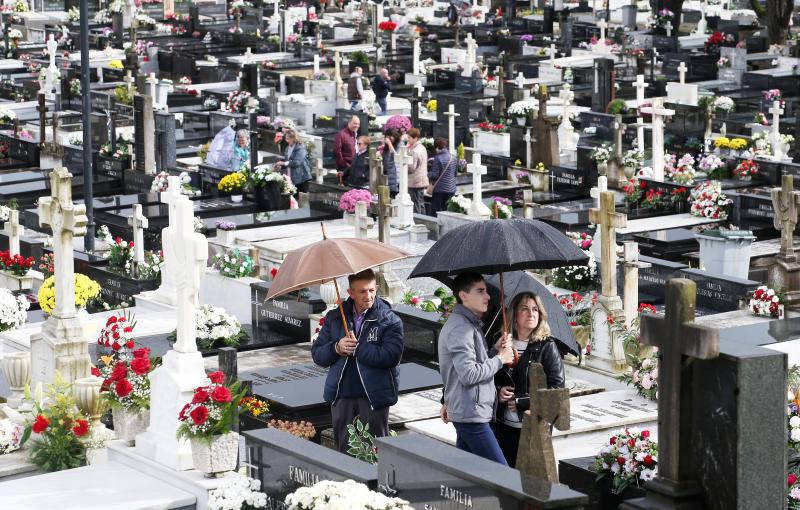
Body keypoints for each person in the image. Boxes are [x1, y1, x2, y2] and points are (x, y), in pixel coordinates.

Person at [311, 269, 404, 454]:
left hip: (373, 395)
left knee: (376, 452)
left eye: (371, 290)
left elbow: (391, 356)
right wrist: (336, 348)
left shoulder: (389, 320)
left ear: (376, 288)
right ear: (350, 293)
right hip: (342, 394)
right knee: (344, 451)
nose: (368, 296)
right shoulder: (335, 317)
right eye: (362, 291)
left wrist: (358, 348)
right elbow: (318, 355)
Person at [438, 272, 514, 465]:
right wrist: (500, 359)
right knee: (501, 472)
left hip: (471, 410)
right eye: (480, 291)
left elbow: (472, 365)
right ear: (463, 296)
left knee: (467, 473)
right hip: (471, 414)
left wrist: (495, 349)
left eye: (486, 291)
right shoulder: (461, 329)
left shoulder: (469, 325)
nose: (487, 296)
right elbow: (469, 374)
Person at [494, 292, 566, 467]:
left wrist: (522, 402)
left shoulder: (547, 346)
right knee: (506, 481)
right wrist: (498, 390)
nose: (531, 313)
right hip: (504, 427)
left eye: (535, 309)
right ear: (514, 314)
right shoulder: (500, 344)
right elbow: (489, 375)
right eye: (525, 309)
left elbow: (557, 390)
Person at [275, 129, 312, 194]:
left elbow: (297, 162)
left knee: (303, 198)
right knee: (293, 199)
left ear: (294, 138)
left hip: (301, 177)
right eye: (286, 139)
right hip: (291, 177)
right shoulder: (287, 148)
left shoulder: (300, 147)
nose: (287, 141)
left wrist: (283, 163)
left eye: (288, 139)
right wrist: (281, 167)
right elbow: (287, 162)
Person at [427, 137, 457, 215]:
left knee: (436, 212)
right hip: (451, 189)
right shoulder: (453, 157)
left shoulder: (438, 158)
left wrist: (427, 173)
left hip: (439, 190)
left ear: (437, 147)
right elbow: (455, 174)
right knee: (447, 212)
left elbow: (435, 175)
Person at [406, 128, 429, 214]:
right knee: (420, 202)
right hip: (421, 179)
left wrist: (404, 167)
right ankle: (424, 220)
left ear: (415, 138)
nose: (408, 139)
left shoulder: (415, 151)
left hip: (415, 181)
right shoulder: (422, 147)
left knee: (415, 203)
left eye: (409, 137)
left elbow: (411, 168)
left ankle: (418, 221)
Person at [382, 129, 401, 196]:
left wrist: (389, 144)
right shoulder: (386, 147)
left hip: (395, 176)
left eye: (390, 137)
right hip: (387, 176)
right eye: (387, 137)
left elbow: (396, 157)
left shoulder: (399, 145)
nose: (388, 139)